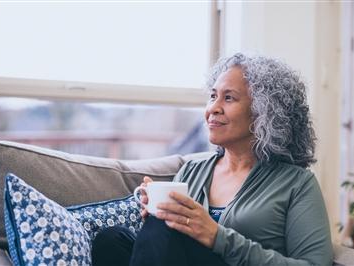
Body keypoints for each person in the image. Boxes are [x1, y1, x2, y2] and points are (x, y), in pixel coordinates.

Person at [91, 53, 333, 266]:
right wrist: (156, 214)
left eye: (229, 98)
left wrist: (217, 237)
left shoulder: (297, 184)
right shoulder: (191, 171)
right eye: (213, 96)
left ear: (265, 112)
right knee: (112, 240)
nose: (213, 108)